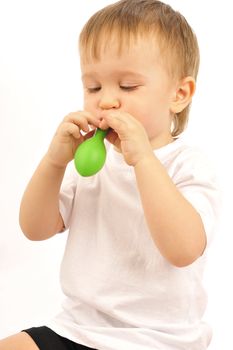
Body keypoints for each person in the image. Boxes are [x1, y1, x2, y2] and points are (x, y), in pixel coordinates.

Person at [0, 0, 220, 349]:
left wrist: (145, 161)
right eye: (94, 87)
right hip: (79, 329)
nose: (106, 101)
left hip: (160, 340)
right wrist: (54, 164)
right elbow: (34, 228)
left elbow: (183, 250)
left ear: (179, 94)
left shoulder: (187, 164)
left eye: (128, 86)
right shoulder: (94, 163)